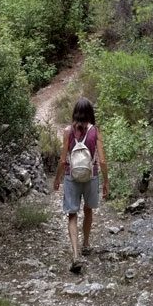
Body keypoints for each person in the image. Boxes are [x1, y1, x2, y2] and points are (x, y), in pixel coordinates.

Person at [53, 97, 109, 273]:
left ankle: (76, 255)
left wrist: (57, 179)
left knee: (72, 214)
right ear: (91, 113)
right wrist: (106, 181)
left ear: (75, 112)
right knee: (88, 210)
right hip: (91, 177)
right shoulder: (95, 131)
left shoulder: (67, 131)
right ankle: (86, 244)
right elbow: (102, 160)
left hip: (72, 177)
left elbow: (63, 160)